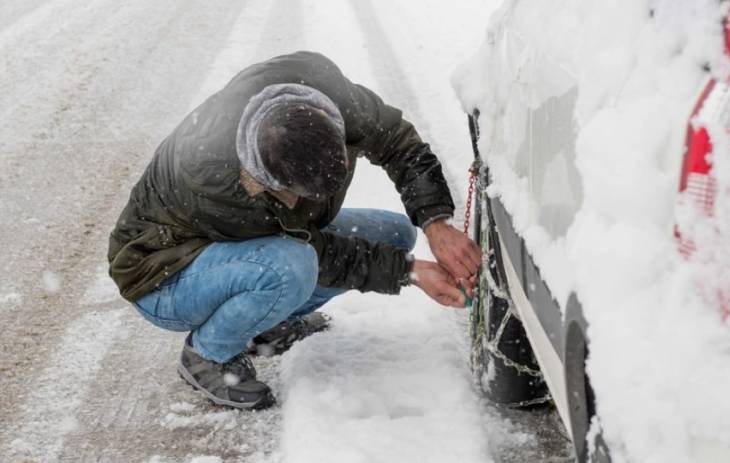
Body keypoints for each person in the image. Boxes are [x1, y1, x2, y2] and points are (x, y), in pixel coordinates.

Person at [108, 51, 481, 410]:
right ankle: (207, 355)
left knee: (395, 234)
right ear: (266, 178)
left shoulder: (328, 94)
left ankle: (266, 326)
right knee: (291, 266)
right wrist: (409, 271)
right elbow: (320, 254)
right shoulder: (214, 175)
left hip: (238, 250)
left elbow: (399, 144)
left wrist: (436, 223)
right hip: (165, 273)